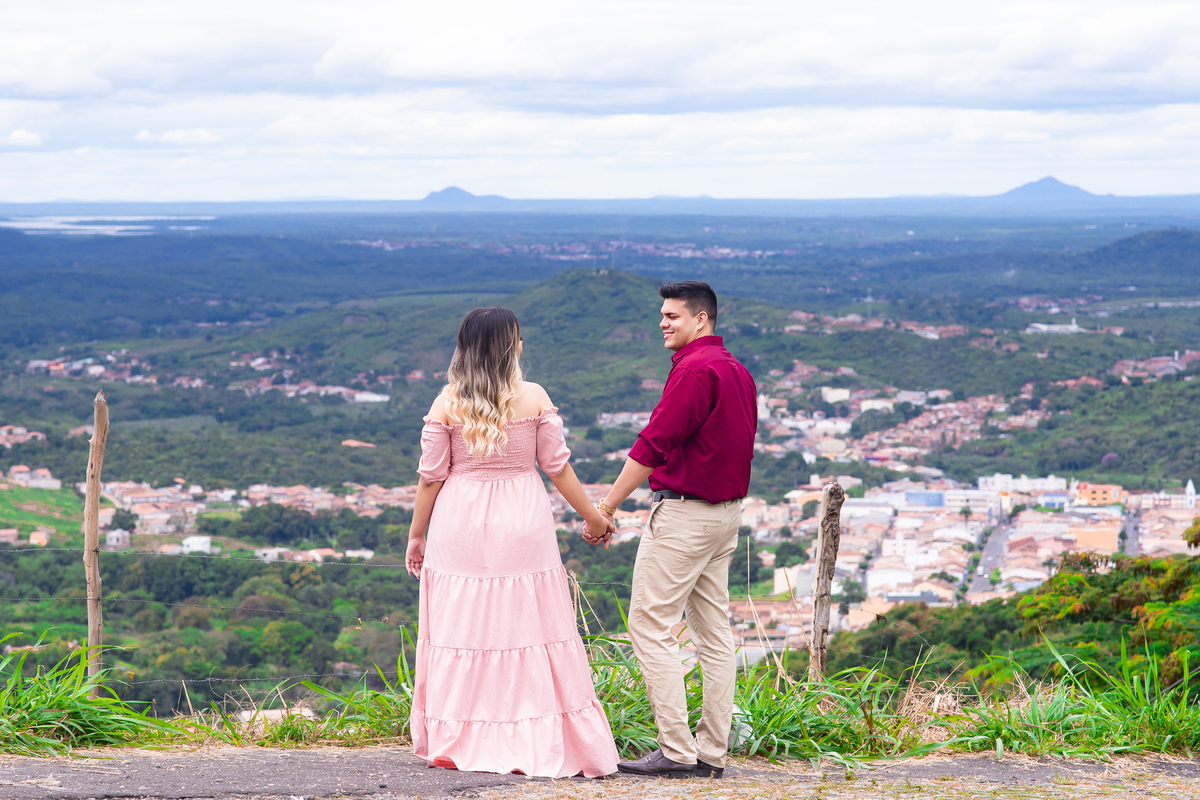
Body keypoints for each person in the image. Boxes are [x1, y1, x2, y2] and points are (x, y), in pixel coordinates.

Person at [406, 307, 619, 778]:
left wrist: (417, 535)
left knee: (462, 628)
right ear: (511, 348)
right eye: (518, 338)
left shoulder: (446, 403)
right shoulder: (535, 397)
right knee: (530, 626)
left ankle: (463, 732)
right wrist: (595, 518)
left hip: (459, 524)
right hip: (524, 521)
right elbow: (558, 467)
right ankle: (534, 731)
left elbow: (430, 479)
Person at [593, 281, 757, 779]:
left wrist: (607, 506)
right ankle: (712, 752)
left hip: (686, 517)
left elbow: (653, 444)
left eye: (673, 316)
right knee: (714, 632)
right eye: (662, 315)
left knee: (649, 624)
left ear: (701, 319)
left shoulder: (694, 370)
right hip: (725, 515)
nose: (662, 322)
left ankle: (678, 751)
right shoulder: (736, 370)